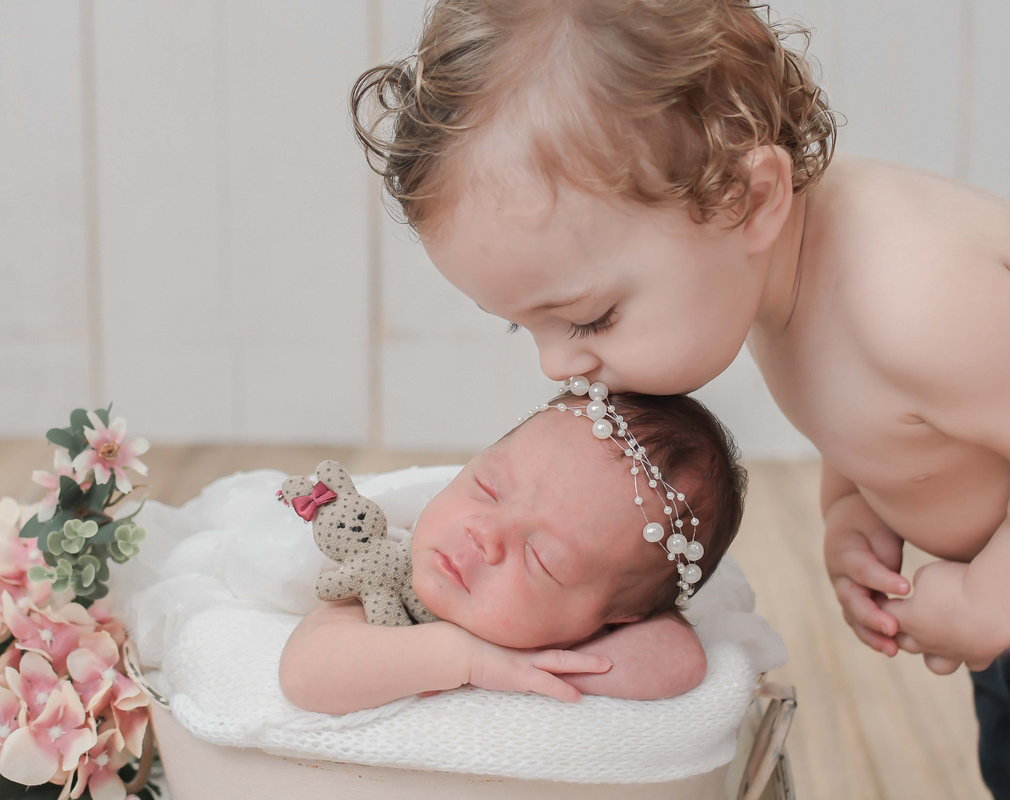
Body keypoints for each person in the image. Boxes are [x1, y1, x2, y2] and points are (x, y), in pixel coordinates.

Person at [350, 0, 1010, 794]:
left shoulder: (915, 303)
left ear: (748, 200)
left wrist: (986, 600)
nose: (558, 365)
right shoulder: (780, 275)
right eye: (525, 326)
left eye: (590, 317)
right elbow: (874, 411)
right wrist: (855, 507)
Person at [280, 387, 746, 713]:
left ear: (612, 619)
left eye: (542, 558)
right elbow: (307, 672)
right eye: (488, 488)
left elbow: (681, 659)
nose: (484, 531)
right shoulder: (389, 570)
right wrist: (468, 659)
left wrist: (532, 665)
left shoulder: (570, 630)